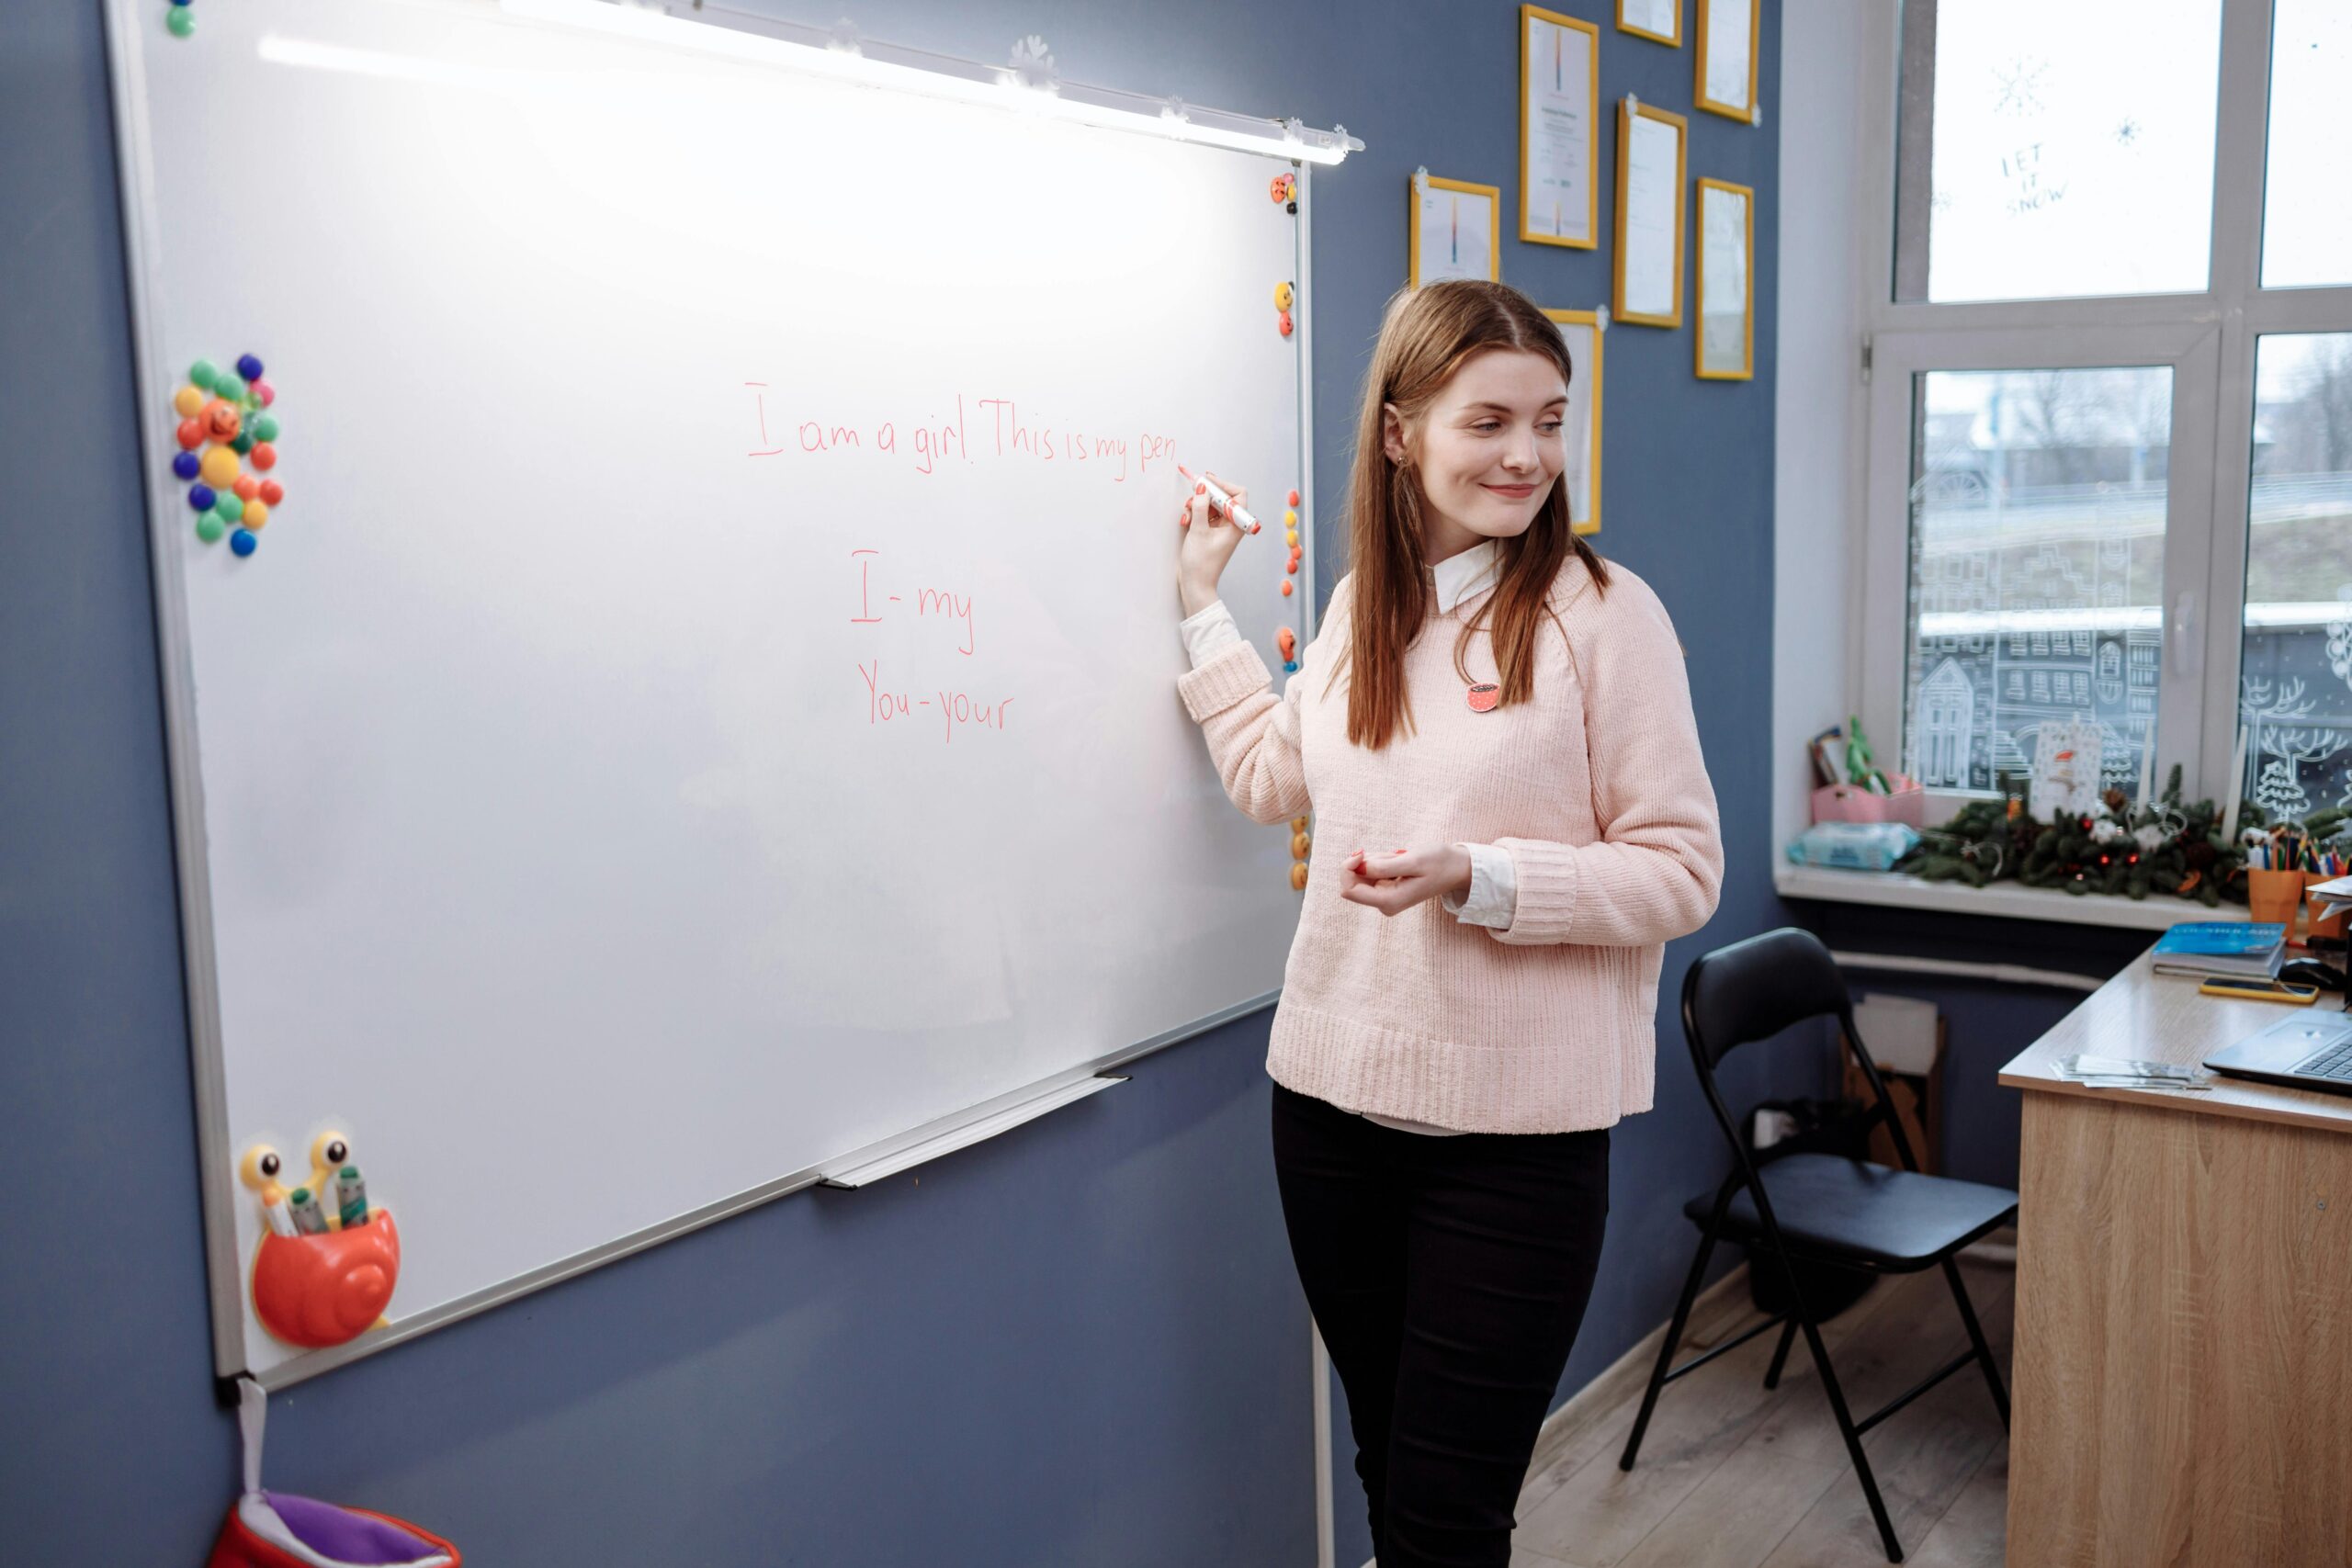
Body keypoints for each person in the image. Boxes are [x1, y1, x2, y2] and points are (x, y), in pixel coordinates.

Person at [1170, 279, 1723, 1567]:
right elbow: (1273, 779)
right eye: (1489, 422)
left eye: (1549, 420)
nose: (1527, 454)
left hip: (1516, 1145)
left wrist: (1479, 875)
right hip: (1327, 1107)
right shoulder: (1369, 604)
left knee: (1447, 1515)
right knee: (1386, 1467)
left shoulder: (1606, 615)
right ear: (1401, 431)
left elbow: (1681, 871)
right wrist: (1204, 605)